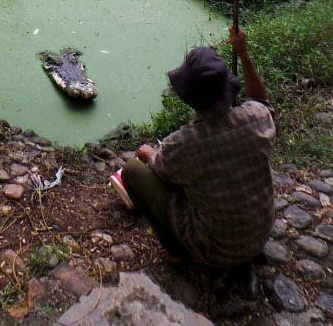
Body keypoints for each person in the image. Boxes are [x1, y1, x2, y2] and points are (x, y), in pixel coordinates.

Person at [111, 27, 275, 267]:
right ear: (227, 87)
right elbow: (260, 100)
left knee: (133, 170)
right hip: (259, 236)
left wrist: (148, 152)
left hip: (216, 251)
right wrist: (243, 54)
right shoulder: (257, 118)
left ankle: (179, 251)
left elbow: (158, 167)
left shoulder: (183, 144)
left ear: (188, 95)